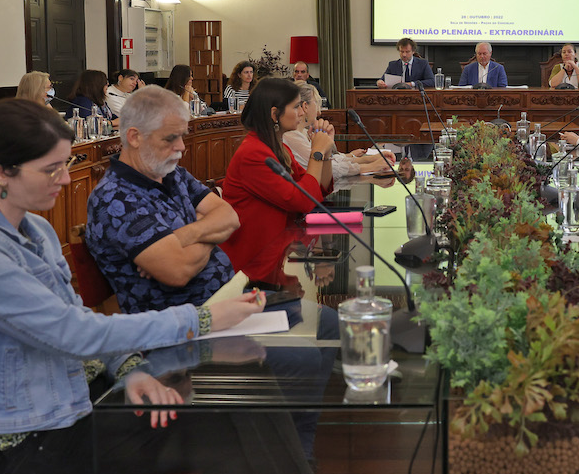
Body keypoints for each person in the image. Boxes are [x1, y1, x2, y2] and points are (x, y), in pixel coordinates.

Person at [0, 99, 358, 474]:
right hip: (38, 440)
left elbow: (77, 317)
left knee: (241, 398)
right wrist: (203, 319)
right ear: (0, 172)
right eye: (51, 169)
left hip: (84, 398)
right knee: (233, 423)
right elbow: (76, 332)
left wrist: (129, 369)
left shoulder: (35, 230)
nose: (65, 178)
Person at [86, 86, 236, 313]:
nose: (182, 147)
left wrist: (184, 235)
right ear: (135, 137)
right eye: (170, 139)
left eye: (182, 136)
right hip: (179, 330)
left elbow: (230, 217)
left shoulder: (173, 174)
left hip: (225, 307)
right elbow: (179, 270)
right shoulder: (114, 198)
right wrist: (210, 231)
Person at [221, 78, 335, 273]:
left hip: (278, 252)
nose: (301, 112)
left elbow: (320, 190)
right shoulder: (253, 153)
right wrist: (316, 152)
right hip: (252, 265)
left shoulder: (278, 147)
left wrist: (326, 152)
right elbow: (303, 200)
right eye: (296, 106)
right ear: (275, 114)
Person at [284, 82, 395, 180]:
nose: (319, 111)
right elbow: (330, 169)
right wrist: (371, 166)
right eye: (317, 103)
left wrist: (370, 159)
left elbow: (331, 160)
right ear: (305, 106)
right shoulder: (292, 136)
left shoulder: (302, 132)